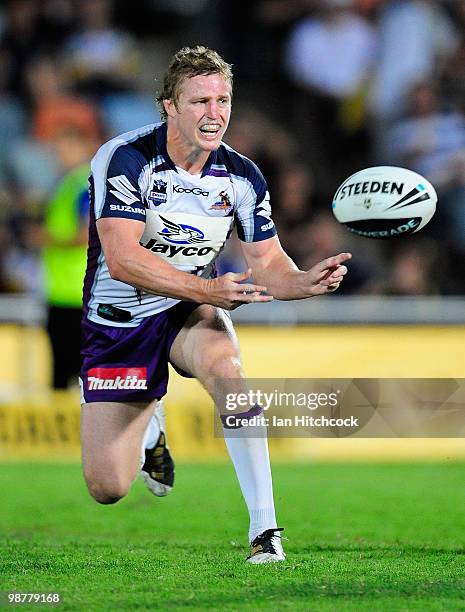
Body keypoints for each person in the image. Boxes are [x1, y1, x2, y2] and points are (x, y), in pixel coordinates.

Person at [79, 46, 351, 563]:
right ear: (169, 107)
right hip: (119, 320)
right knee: (108, 487)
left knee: (228, 371)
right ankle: (150, 429)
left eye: (223, 99)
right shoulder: (125, 157)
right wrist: (207, 289)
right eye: (200, 100)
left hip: (185, 309)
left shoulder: (242, 176)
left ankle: (265, 531)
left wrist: (304, 280)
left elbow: (269, 262)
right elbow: (121, 259)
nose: (215, 112)